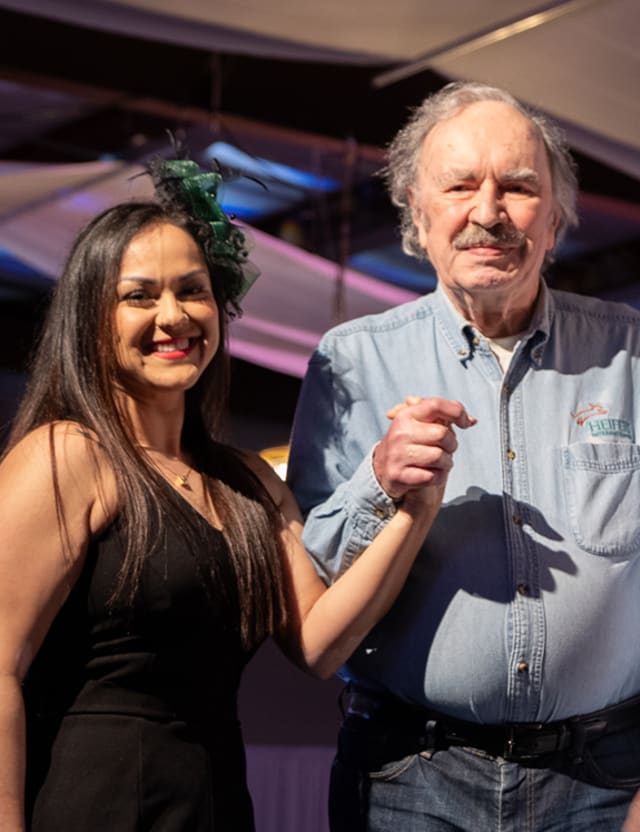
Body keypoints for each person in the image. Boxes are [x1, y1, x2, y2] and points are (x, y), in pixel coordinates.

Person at [0, 158, 475, 831]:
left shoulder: (247, 481)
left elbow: (319, 645)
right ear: (91, 319)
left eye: (192, 291)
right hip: (94, 804)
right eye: (140, 296)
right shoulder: (69, 454)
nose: (173, 316)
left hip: (214, 803)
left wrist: (414, 510)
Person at [287, 81, 640, 832]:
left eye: (518, 187)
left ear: (555, 218)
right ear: (417, 216)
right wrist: (377, 484)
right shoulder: (350, 362)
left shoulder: (631, 354)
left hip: (608, 780)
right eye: (459, 187)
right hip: (410, 777)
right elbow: (311, 599)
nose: (488, 212)